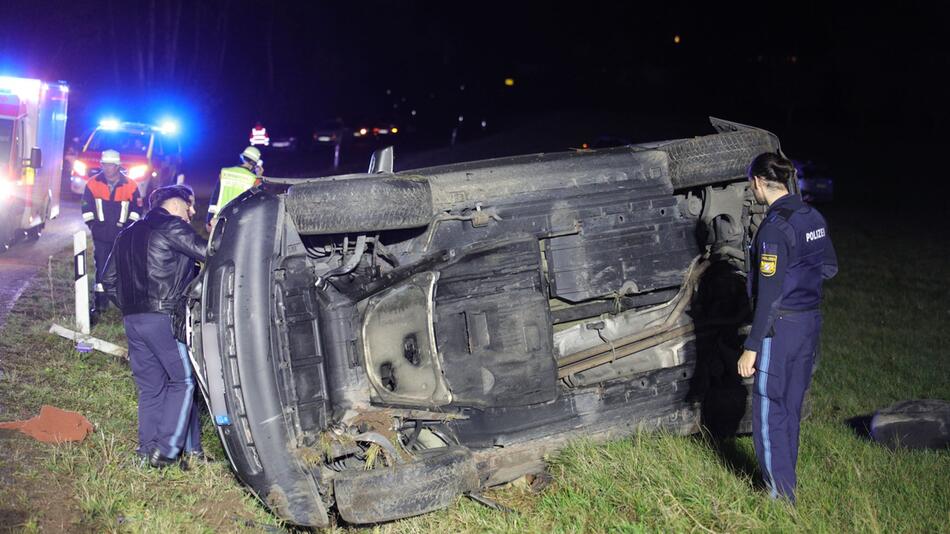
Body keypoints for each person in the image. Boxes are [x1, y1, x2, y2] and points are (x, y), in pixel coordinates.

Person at [737, 152, 838, 504]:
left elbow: (768, 295)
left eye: (752, 186)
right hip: (809, 323)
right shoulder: (813, 216)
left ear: (758, 183)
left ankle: (780, 494)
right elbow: (829, 267)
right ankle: (787, 482)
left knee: (769, 408)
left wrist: (752, 345)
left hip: (779, 328)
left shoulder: (775, 228)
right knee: (791, 406)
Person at [99, 185, 207, 468]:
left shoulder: (127, 233)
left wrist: (132, 307)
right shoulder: (172, 226)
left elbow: (107, 278)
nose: (191, 212)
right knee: (183, 381)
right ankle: (168, 451)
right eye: (189, 206)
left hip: (133, 321)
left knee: (151, 388)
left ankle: (146, 452)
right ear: (174, 205)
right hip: (163, 318)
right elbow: (209, 252)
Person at [80, 149, 142, 315]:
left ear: (118, 166)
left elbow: (137, 210)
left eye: (110, 165)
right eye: (104, 165)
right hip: (101, 236)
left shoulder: (131, 185)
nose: (107, 168)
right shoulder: (92, 183)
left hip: (123, 236)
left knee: (123, 269)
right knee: (101, 267)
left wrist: (128, 229)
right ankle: (100, 305)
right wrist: (93, 225)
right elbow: (86, 207)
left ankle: (123, 305)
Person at [206, 145, 263, 232]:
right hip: (239, 223)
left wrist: (209, 220)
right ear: (255, 164)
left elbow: (215, 197)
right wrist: (259, 176)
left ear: (243, 158)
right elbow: (260, 199)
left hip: (219, 221)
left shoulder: (225, 172)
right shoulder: (254, 179)